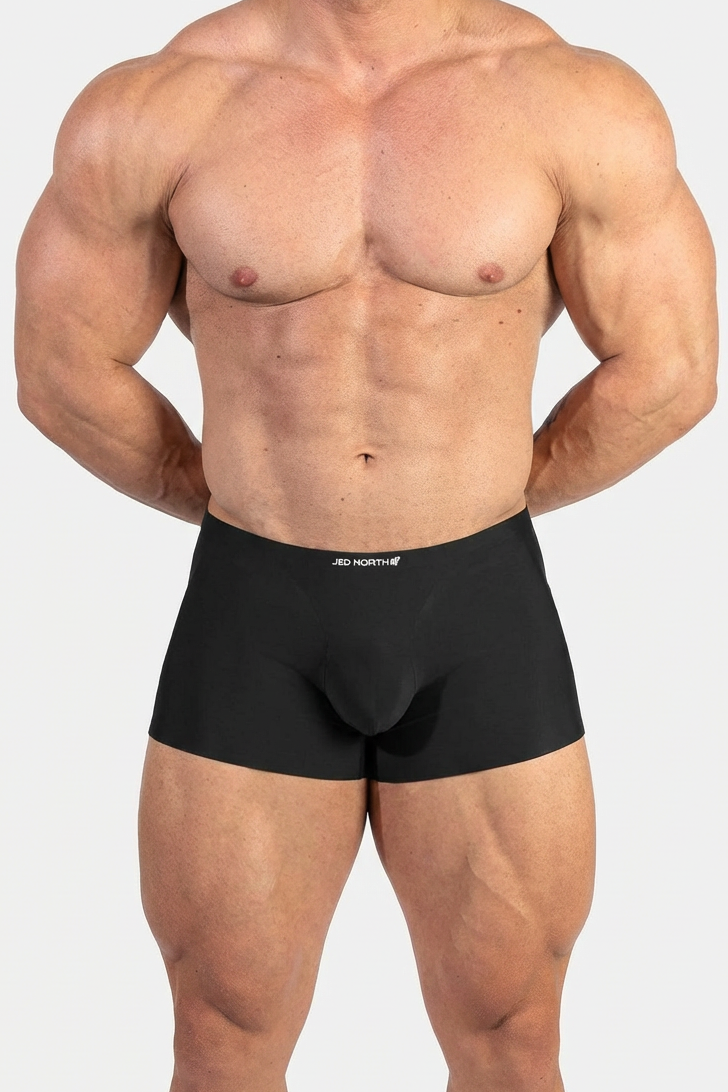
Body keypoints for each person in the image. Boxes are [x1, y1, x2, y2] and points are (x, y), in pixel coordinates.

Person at [14, 0, 717, 1088]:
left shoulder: (572, 99)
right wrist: (235, 502)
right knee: (222, 1036)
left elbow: (669, 368)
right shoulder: (161, 103)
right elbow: (62, 370)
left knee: (510, 1033)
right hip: (257, 612)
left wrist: (479, 504)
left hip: (477, 610)